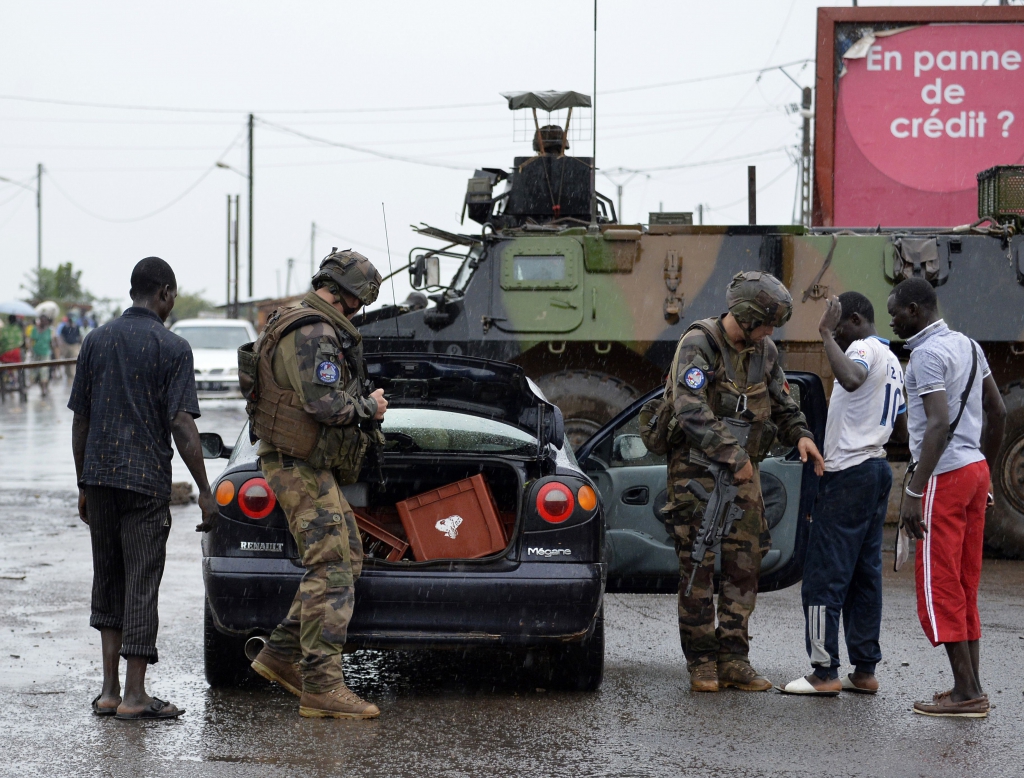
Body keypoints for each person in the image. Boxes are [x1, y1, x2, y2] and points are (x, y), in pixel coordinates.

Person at [69, 257, 217, 720]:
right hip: (144, 481)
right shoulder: (172, 347)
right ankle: (135, 697)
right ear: (165, 293)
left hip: (100, 478)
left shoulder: (96, 340)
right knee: (141, 582)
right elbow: (181, 423)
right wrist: (205, 490)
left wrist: (83, 482)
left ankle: (109, 692)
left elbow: (81, 420)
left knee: (108, 579)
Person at [663, 271, 825, 693]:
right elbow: (689, 408)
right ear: (748, 314)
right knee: (698, 564)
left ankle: (734, 658)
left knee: (746, 562)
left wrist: (801, 435)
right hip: (697, 471)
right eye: (766, 323)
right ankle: (702, 662)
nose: (770, 332)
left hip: (743, 473)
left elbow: (782, 401)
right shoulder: (699, 344)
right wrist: (732, 455)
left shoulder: (764, 351)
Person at [247, 249, 386, 719]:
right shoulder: (314, 331)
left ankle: (281, 654)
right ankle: (322, 685)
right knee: (330, 566)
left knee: (348, 554)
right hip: (296, 463)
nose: (360, 310)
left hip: (304, 461)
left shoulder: (297, 319)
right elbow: (326, 406)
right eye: (363, 301)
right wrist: (370, 408)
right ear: (351, 295)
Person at [887, 278, 1006, 718]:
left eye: (895, 313)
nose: (892, 322)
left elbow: (937, 424)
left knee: (940, 582)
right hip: (974, 471)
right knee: (964, 581)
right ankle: (970, 688)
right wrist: (984, 471)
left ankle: (966, 693)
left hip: (944, 475)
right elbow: (998, 411)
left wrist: (914, 490)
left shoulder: (925, 355)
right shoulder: (969, 345)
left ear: (914, 310)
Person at [783, 292, 906, 696]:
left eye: (838, 329)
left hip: (850, 474)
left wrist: (824, 335)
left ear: (853, 320)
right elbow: (900, 425)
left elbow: (852, 379)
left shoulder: (863, 348)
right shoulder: (893, 360)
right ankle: (865, 670)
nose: (835, 337)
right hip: (876, 470)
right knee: (864, 575)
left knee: (824, 575)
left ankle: (824, 672)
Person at [28, 314, 55, 397]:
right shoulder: (34, 329)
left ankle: (44, 389)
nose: (43, 322)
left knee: (44, 371)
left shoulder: (49, 330)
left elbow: (52, 343)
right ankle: (42, 388)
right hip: (36, 354)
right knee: (36, 373)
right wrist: (30, 350)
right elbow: (31, 341)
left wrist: (55, 355)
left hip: (46, 354)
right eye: (42, 320)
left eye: (44, 320)